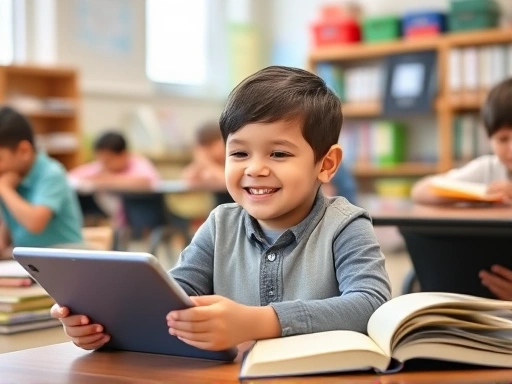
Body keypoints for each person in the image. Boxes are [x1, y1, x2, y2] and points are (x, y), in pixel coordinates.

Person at [51, 66, 391, 351]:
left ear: (326, 164)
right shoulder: (220, 224)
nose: (254, 169)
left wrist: (260, 321)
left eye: (279, 154)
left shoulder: (346, 225)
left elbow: (370, 304)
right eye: (240, 153)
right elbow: (173, 295)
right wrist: (103, 323)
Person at [411, 78, 512, 301]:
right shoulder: (487, 168)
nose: (511, 148)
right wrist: (476, 196)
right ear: (489, 139)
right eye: (503, 139)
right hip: (478, 291)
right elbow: (421, 190)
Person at [0, 106, 83, 257]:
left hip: (65, 258)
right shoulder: (9, 177)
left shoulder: (51, 173)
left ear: (24, 151)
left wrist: (5, 190)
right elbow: (9, 222)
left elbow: (35, 223)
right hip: (28, 262)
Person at [68, 131, 161, 224]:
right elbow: (70, 178)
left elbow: (146, 182)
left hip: (141, 215)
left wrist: (106, 181)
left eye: (108, 160)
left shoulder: (139, 163)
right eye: (101, 160)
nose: (104, 164)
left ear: (123, 154)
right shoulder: (100, 167)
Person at [182, 121, 234, 206]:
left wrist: (207, 163)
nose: (210, 151)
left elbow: (228, 181)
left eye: (213, 145)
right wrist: (200, 162)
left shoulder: (232, 158)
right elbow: (188, 180)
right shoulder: (208, 163)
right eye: (206, 148)